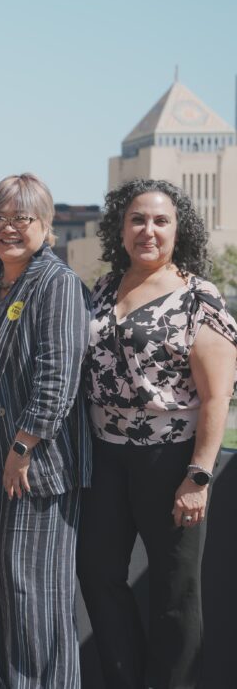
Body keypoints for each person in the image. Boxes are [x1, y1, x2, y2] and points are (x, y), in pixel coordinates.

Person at [78, 179, 236, 689]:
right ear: (120, 229)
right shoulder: (104, 287)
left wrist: (199, 474)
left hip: (170, 461)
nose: (148, 230)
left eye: (160, 221)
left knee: (173, 593)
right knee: (98, 575)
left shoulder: (198, 297)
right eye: (137, 220)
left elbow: (218, 395)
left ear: (178, 229)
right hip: (105, 458)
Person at [0, 173, 92, 688]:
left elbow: (57, 376)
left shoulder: (57, 283)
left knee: (33, 596)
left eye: (22, 219)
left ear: (47, 227)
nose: (9, 229)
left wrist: (24, 445)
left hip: (36, 467)